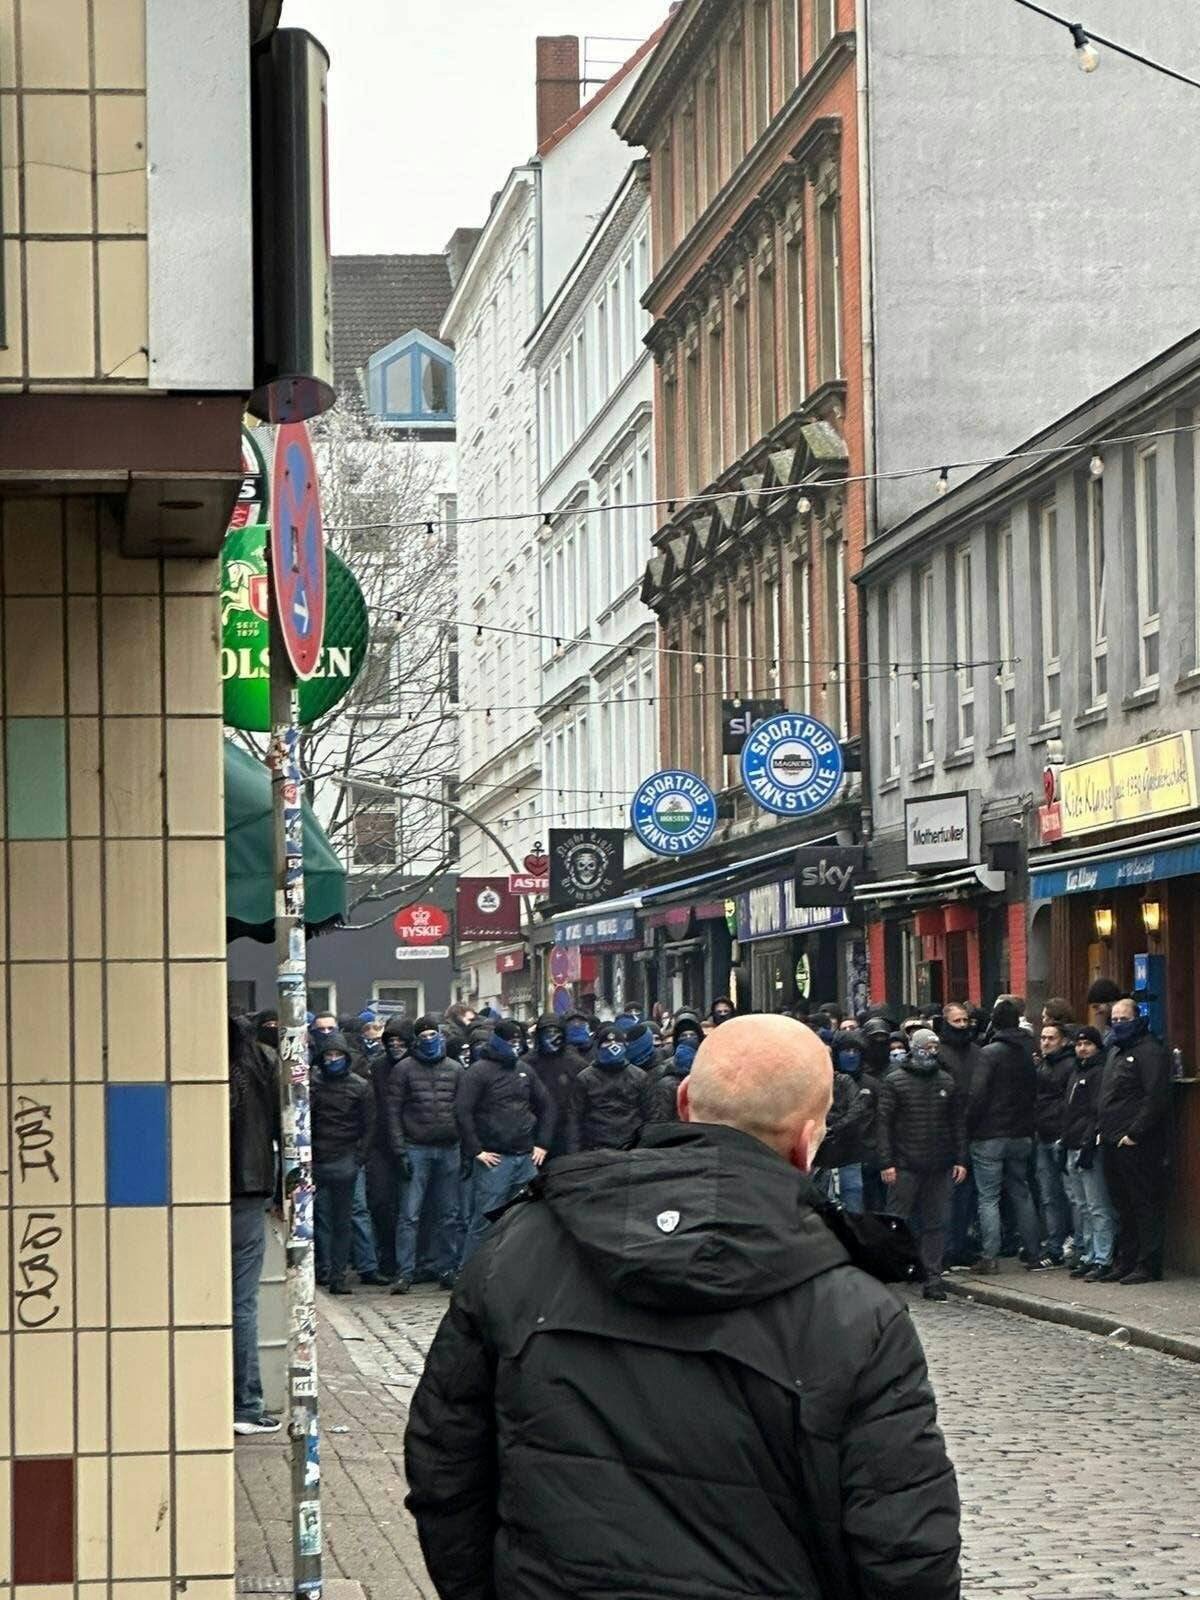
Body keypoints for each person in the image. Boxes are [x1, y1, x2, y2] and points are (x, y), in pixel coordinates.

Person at [404, 1014, 962, 1600]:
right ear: (806, 1142)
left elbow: (445, 1464)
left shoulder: (518, 1246)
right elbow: (907, 1552)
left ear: (682, 1101)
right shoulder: (860, 1313)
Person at [877, 1027, 967, 1300]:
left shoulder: (946, 1081)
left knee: (935, 1223)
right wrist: (887, 1162)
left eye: (934, 1047)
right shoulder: (894, 1081)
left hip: (938, 1164)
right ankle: (891, 1275)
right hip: (905, 1164)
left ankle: (933, 1277)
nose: (931, 1051)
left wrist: (960, 1159)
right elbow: (884, 1125)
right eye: (927, 1046)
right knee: (896, 1221)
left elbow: (957, 1124)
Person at [455, 1018, 552, 1263]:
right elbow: (462, 1111)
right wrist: (476, 1150)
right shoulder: (478, 1072)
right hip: (494, 1160)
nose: (515, 1046)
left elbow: (548, 1106)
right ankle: (468, 1274)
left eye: (518, 1041)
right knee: (484, 1221)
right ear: (497, 1042)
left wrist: (542, 1143)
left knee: (527, 1220)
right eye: (510, 1042)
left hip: (525, 1158)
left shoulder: (524, 1070)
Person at [229, 1015, 282, 1435]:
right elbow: (288, 1123)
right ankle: (245, 1404)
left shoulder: (190, 1054)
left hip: (193, 1192)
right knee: (242, 1302)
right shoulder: (262, 1060)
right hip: (250, 1186)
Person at [387, 1015, 463, 1295]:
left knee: (450, 1214)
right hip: (415, 1147)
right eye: (424, 1035)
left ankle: (448, 1269)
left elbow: (463, 1111)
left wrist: (466, 1149)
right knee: (409, 1215)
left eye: (434, 1034)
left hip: (450, 1147)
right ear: (416, 1040)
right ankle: (404, 1273)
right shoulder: (404, 1069)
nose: (429, 1040)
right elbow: (393, 1112)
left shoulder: (456, 1069)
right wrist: (399, 1151)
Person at [1099, 997, 1172, 1283]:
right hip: (1111, 1138)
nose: (1118, 1024)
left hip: (1137, 1142)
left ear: (1137, 1018)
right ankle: (1125, 1260)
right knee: (1122, 1204)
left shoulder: (1149, 1050)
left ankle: (1148, 1263)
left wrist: (1134, 1133)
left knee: (1144, 1203)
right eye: (1114, 1019)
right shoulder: (1115, 1050)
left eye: (1123, 1019)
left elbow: (1155, 1097)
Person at [967, 998, 1043, 1273]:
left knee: (989, 1197)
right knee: (1021, 1192)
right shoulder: (1027, 1052)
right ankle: (1034, 1253)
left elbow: (977, 1096)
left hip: (990, 1133)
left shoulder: (989, 1054)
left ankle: (990, 1256)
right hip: (1021, 1131)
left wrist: (969, 1127)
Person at [311, 1031, 375, 1296]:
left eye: (337, 1055)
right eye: (329, 1055)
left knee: (341, 1221)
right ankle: (327, 1270)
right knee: (324, 1219)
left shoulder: (359, 1087)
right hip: (321, 1159)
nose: (333, 1059)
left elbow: (369, 1125)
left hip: (345, 1159)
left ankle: (336, 1274)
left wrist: (359, 1157)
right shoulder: (313, 1085)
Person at [1061, 1025, 1117, 1281]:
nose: (1082, 1048)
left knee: (1097, 1206)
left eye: (1088, 1044)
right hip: (1073, 1143)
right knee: (1083, 1206)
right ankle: (1090, 1253)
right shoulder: (1077, 1071)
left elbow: (1096, 1112)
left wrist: (1088, 1142)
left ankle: (1103, 1257)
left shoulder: (1097, 1073)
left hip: (1087, 1146)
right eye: (1079, 1044)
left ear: (1097, 1046)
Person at [937, 1002, 983, 1266]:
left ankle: (961, 1243)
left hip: (975, 1129)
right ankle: (946, 1247)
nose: (964, 1026)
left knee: (968, 1196)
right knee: (949, 1194)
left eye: (966, 1021)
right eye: (958, 1021)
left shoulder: (977, 1053)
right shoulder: (941, 1054)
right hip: (948, 1131)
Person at [812, 1029, 878, 1215]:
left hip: (849, 1152)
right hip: (820, 1156)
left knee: (853, 1204)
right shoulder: (809, 1082)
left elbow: (857, 1109)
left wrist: (834, 1128)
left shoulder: (844, 1081)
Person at [570, 1022, 653, 1153]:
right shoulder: (585, 1079)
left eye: (618, 1044)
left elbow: (650, 1115)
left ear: (625, 1047)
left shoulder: (639, 1076)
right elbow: (575, 1118)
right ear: (599, 1047)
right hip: (596, 1148)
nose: (613, 1047)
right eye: (607, 1044)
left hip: (632, 1147)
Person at [1035, 1019, 1076, 1265]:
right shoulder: (1042, 1066)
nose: (1046, 1042)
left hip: (1061, 1134)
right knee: (1049, 1195)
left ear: (1063, 1041)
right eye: (1044, 1038)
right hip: (1043, 1134)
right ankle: (1054, 1244)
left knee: (1071, 1194)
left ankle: (1074, 1241)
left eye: (1051, 1038)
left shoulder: (1068, 1065)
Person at [527, 1013, 587, 1159]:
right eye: (547, 1033)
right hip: (535, 1134)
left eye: (556, 1033)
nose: (552, 1038)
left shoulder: (577, 1063)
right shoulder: (527, 1064)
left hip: (567, 1133)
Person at [646, 1009, 703, 1122]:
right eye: (684, 1035)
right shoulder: (663, 1070)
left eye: (692, 1035)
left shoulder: (707, 1065)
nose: (688, 1038)